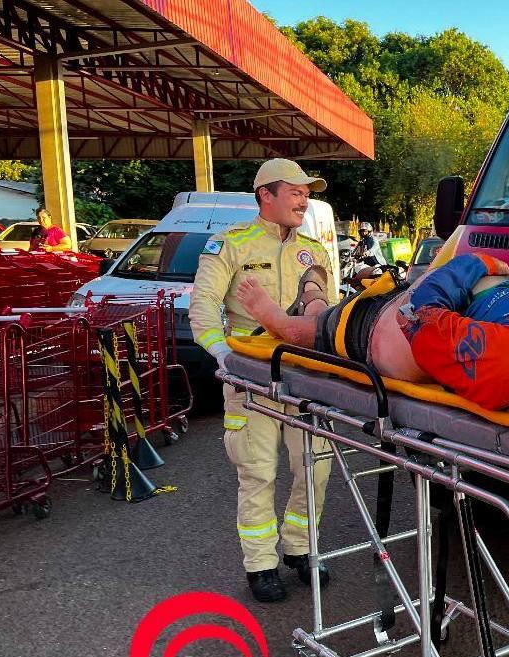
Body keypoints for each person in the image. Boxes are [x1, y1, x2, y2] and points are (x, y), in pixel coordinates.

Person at [189, 158, 337, 603]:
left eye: (306, 192)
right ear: (265, 196)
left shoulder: (314, 249)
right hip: (249, 380)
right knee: (256, 474)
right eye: (294, 191)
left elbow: (325, 316)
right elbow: (203, 306)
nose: (304, 198)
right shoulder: (230, 245)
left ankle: (300, 549)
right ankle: (261, 564)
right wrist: (225, 358)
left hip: (304, 377)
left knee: (315, 466)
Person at [235, 253, 509, 412]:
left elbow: (418, 317)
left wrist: (474, 264)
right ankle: (314, 297)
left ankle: (290, 321)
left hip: (392, 329)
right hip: (460, 296)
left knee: (339, 327)